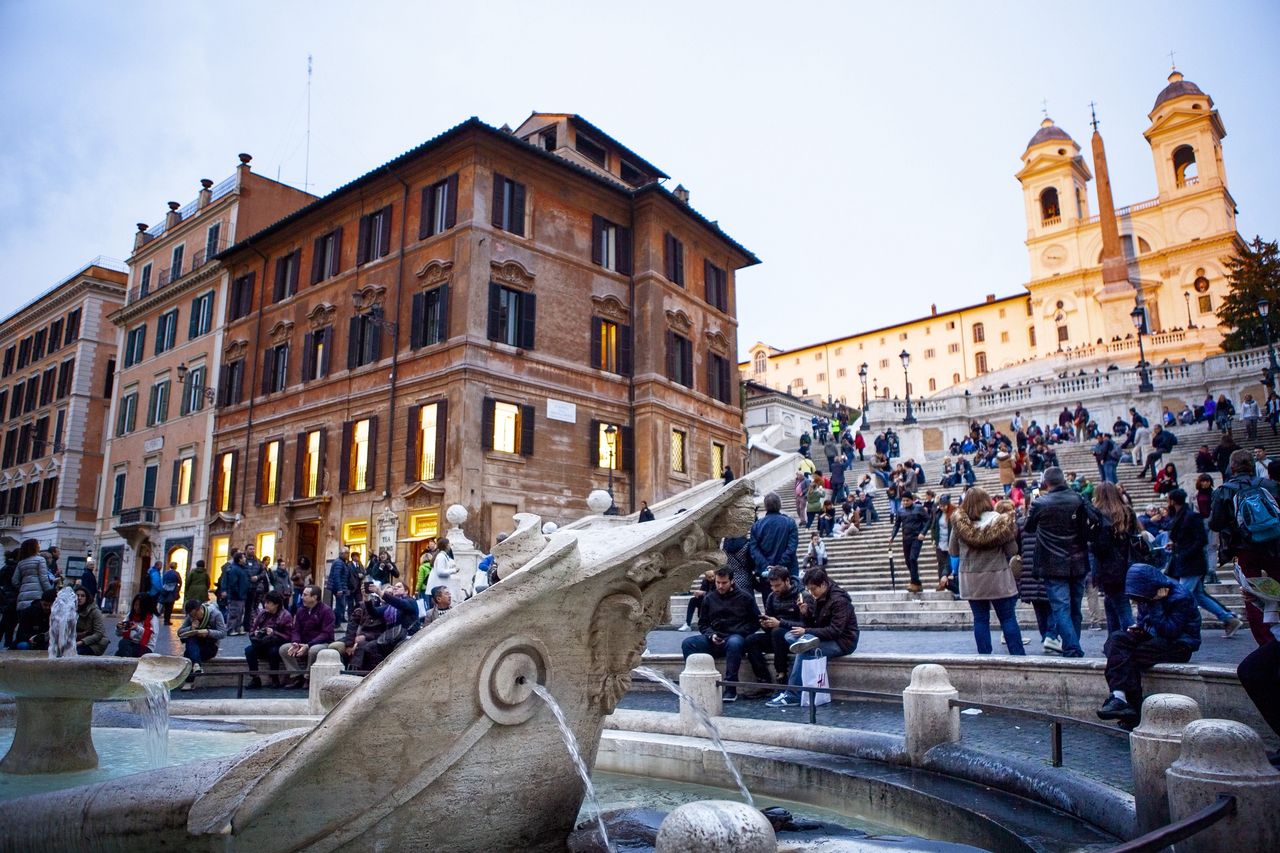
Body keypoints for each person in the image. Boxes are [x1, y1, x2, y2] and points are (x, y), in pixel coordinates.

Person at [1096, 564, 1201, 729]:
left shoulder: (1181, 597)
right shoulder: (1145, 593)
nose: (1135, 602)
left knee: (1126, 656)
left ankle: (1135, 711)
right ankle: (1119, 697)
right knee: (1116, 640)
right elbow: (1145, 621)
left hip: (1180, 644)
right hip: (1154, 638)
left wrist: (1156, 604)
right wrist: (1140, 629)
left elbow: (1170, 631)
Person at [1209, 449, 1280, 646]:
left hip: (1244, 549)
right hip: (1275, 546)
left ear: (1232, 467)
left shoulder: (1224, 490)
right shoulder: (1271, 485)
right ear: (1252, 464)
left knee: (1252, 596)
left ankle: (1267, 644)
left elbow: (1215, 523)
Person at [766, 567, 859, 707]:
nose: (811, 593)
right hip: (824, 637)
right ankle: (805, 645)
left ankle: (793, 694)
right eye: (809, 589)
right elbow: (815, 623)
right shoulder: (818, 595)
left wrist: (806, 631)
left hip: (842, 641)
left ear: (823, 584)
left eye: (813, 589)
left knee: (805, 649)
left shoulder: (839, 600)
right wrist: (806, 613)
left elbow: (835, 631)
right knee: (789, 635)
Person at [949, 489, 1024, 655]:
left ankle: (984, 657)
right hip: (998, 575)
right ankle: (1018, 656)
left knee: (980, 619)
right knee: (1008, 618)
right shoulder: (1000, 521)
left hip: (971, 577)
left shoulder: (959, 523)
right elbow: (1012, 550)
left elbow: (953, 551)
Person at [1026, 467, 1090, 658]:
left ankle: (1072, 647)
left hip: (1052, 563)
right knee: (1075, 607)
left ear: (1046, 483)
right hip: (1077, 560)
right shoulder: (1078, 499)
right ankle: (1073, 643)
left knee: (1061, 608)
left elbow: (1029, 527)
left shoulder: (1041, 503)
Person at [680, 567, 767, 703]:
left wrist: (739, 632)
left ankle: (730, 687)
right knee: (688, 643)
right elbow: (703, 624)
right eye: (718, 582)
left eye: (724, 583)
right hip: (715, 637)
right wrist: (711, 635)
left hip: (736, 637)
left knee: (734, 642)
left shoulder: (745, 597)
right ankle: (693, 681)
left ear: (732, 581)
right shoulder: (709, 597)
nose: (720, 586)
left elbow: (755, 622)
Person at [1164, 488, 1243, 636]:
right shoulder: (1182, 516)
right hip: (1187, 562)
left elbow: (1200, 540)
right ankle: (1228, 618)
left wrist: (1184, 552)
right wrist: (1176, 546)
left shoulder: (1191, 517)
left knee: (1181, 596)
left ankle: (1182, 626)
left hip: (1192, 563)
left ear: (1172, 500)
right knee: (1198, 595)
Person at [1087, 483, 1140, 634]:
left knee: (1121, 605)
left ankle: (1130, 640)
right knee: (1111, 602)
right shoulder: (1127, 512)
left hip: (1108, 566)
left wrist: (1091, 543)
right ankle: (1114, 639)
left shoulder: (1100, 515)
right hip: (1127, 562)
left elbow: (1101, 545)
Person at [746, 566, 808, 685]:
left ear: (787, 581)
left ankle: (781, 673)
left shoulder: (801, 596)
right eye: (772, 586)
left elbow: (805, 624)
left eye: (778, 585)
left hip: (795, 637)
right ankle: (764, 680)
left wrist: (780, 623)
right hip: (776, 637)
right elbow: (770, 622)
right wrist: (765, 624)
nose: (774, 589)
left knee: (778, 632)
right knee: (750, 640)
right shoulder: (771, 597)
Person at [280, 585, 337, 688]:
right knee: (284, 649)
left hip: (322, 643)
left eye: (305, 595)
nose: (302, 597)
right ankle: (296, 675)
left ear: (314, 597)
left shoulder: (326, 611)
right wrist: (296, 642)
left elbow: (326, 633)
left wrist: (309, 645)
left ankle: (308, 677)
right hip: (304, 642)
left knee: (314, 650)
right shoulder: (301, 610)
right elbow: (296, 629)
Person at [243, 591, 293, 688]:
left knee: (273, 652)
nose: (265, 605)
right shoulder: (262, 614)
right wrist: (256, 634)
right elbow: (252, 629)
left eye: (268, 603)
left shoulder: (285, 616)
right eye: (265, 602)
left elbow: (289, 637)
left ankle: (275, 678)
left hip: (276, 644)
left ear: (276, 604)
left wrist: (274, 633)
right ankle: (255, 678)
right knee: (249, 650)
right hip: (262, 643)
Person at [177, 598, 228, 691]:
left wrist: (208, 632)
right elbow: (180, 632)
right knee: (191, 639)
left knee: (188, 654)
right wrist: (190, 628)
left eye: (195, 615)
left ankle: (189, 681)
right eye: (192, 616)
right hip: (195, 645)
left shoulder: (216, 614)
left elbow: (223, 633)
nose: (194, 618)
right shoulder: (191, 617)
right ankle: (197, 664)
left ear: (200, 609)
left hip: (210, 647)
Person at [749, 492, 800, 579]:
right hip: (788, 571)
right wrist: (779, 566)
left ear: (765, 506)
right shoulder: (790, 522)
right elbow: (792, 547)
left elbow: (754, 549)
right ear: (780, 504)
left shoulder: (757, 525)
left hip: (766, 572)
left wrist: (767, 566)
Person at [889, 491, 931, 593]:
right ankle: (917, 583)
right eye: (903, 500)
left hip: (916, 538)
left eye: (907, 500)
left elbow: (929, 521)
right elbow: (897, 524)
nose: (905, 502)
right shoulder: (900, 511)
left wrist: (923, 533)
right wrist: (892, 536)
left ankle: (913, 583)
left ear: (912, 500)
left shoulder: (919, 508)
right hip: (906, 538)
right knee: (908, 561)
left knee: (913, 558)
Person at [13, 538, 53, 615]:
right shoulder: (40, 560)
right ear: (34, 547)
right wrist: (50, 593)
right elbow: (44, 579)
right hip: (37, 598)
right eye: (37, 544)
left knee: (24, 624)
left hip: (22, 599)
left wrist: (23, 588)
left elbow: (15, 581)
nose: (39, 546)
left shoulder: (21, 562)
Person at [221, 552, 250, 636]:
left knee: (240, 612)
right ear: (239, 559)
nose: (245, 559)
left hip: (241, 595)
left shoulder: (242, 568)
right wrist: (237, 592)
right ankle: (230, 629)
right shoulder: (234, 569)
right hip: (236, 595)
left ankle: (237, 628)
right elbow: (233, 583)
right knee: (234, 612)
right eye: (243, 557)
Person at [73, 587, 109, 656]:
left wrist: (80, 642)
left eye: (82, 596)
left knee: (77, 652)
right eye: (77, 595)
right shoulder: (71, 610)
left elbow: (98, 634)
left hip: (95, 643)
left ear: (87, 598)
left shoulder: (95, 611)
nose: (79, 598)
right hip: (78, 640)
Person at [326, 549, 354, 626]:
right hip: (339, 588)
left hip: (342, 587)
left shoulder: (343, 562)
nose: (348, 555)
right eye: (346, 553)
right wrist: (339, 589)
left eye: (348, 553)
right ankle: (334, 622)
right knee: (340, 605)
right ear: (341, 554)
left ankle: (337, 622)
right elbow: (337, 576)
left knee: (341, 605)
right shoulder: (339, 562)